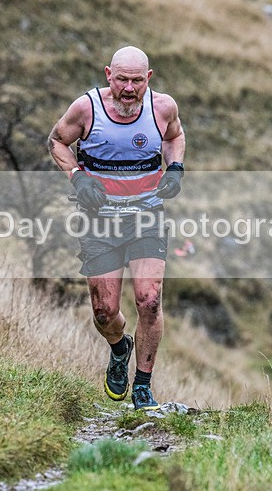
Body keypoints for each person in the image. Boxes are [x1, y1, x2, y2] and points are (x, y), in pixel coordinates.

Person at [47, 46, 186, 410]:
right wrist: (78, 178)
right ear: (108, 74)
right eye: (121, 79)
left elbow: (174, 137)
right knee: (104, 312)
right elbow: (57, 142)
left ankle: (142, 385)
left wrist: (175, 168)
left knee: (150, 300)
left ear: (148, 79)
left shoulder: (162, 107)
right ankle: (119, 347)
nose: (128, 88)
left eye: (136, 80)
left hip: (147, 217)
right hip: (99, 220)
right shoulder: (86, 108)